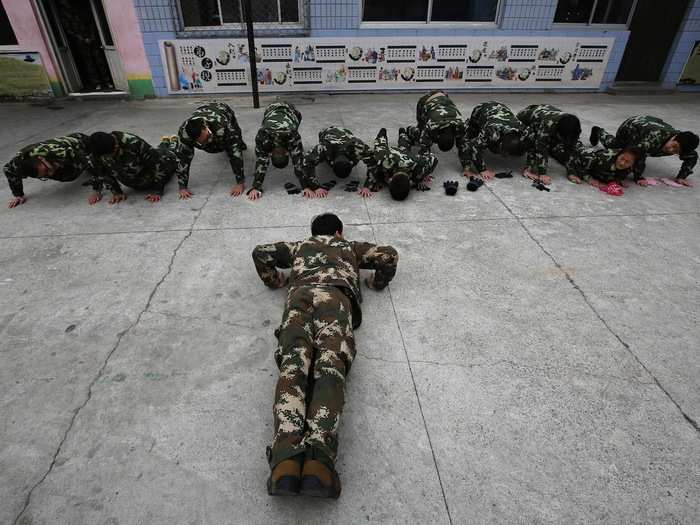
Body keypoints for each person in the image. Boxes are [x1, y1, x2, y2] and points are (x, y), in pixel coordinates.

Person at [252, 213, 398, 499]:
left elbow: (261, 252)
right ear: (339, 232)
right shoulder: (349, 248)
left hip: (299, 298)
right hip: (335, 301)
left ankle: (285, 461)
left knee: (293, 370)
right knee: (329, 370)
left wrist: (274, 279)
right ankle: (319, 461)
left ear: (312, 233)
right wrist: (376, 284)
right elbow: (389, 255)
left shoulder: (299, 247)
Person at [591, 116, 698, 186]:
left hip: (647, 128)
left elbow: (692, 157)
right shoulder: (654, 137)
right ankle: (598, 131)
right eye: (674, 146)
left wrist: (682, 177)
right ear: (674, 137)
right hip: (630, 127)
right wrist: (638, 177)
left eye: (676, 151)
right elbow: (638, 154)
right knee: (618, 148)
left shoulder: (684, 142)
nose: (670, 150)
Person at [252, 102, 325, 200]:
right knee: (295, 145)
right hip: (270, 111)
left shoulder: (291, 135)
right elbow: (297, 161)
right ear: (287, 152)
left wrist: (306, 186)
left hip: (290, 111)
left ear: (270, 153)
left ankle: (291, 122)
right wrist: (307, 186)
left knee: (295, 123)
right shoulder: (263, 135)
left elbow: (262, 161)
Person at [174, 102, 247, 199]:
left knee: (235, 139)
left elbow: (235, 154)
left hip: (222, 109)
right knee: (188, 151)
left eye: (207, 137)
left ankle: (241, 142)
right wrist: (182, 187)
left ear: (205, 126)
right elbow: (183, 158)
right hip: (202, 110)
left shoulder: (224, 125)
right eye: (202, 142)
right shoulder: (185, 133)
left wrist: (240, 183)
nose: (207, 141)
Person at [86, 132, 178, 204]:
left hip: (160, 167)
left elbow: (158, 164)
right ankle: (165, 142)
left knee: (171, 155)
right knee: (157, 151)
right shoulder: (96, 150)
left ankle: (173, 141)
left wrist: (158, 190)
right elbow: (101, 171)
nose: (109, 158)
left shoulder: (133, 142)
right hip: (137, 181)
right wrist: (116, 191)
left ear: (116, 146)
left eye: (110, 155)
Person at [4, 133, 92, 208]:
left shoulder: (57, 152)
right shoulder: (18, 163)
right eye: (44, 175)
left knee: (71, 174)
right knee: (62, 175)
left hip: (82, 143)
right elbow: (8, 171)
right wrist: (18, 194)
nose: (50, 173)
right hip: (56, 157)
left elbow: (87, 158)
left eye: (46, 170)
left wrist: (99, 180)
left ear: (41, 158)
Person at [361, 128, 438, 200]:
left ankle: (402, 132)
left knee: (403, 147)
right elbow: (373, 165)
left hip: (405, 156)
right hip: (389, 154)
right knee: (380, 145)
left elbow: (434, 159)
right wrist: (368, 186)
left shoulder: (418, 168)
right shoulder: (384, 160)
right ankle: (383, 132)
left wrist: (423, 174)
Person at [517, 104, 582, 185]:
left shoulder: (573, 127)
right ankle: (527, 170)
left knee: (556, 146)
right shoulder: (547, 124)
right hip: (523, 120)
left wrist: (572, 172)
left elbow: (571, 147)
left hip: (544, 114)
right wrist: (542, 173)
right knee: (531, 139)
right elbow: (540, 147)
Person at [463, 101, 524, 180]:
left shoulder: (523, 131)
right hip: (482, 109)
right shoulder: (491, 131)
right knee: (469, 136)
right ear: (500, 142)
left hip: (502, 108)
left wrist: (529, 168)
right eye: (503, 150)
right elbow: (475, 148)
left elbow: (535, 145)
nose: (504, 156)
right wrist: (482, 170)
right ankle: (466, 125)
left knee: (520, 152)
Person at [403, 90, 469, 157]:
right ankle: (409, 130)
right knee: (420, 133)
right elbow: (424, 149)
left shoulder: (460, 126)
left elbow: (462, 146)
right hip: (425, 100)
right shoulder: (432, 126)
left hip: (443, 96)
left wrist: (466, 165)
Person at [549, 142, 640, 188]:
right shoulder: (603, 159)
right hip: (570, 152)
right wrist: (588, 178)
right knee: (552, 146)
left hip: (581, 151)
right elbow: (575, 161)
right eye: (622, 158)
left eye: (627, 162)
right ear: (619, 154)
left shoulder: (633, 167)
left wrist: (618, 180)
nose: (622, 163)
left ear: (633, 164)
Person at [303, 126, 375, 184]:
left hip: (346, 133)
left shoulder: (358, 147)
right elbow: (306, 162)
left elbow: (373, 162)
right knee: (322, 135)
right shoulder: (324, 148)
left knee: (348, 136)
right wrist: (314, 186)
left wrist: (368, 186)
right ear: (332, 162)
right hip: (328, 132)